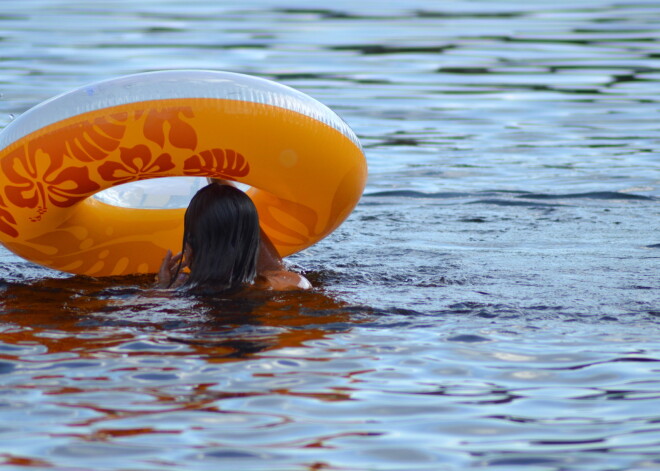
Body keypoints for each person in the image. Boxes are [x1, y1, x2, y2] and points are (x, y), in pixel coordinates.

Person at [155, 180, 312, 293]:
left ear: (189, 243)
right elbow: (271, 268)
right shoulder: (291, 284)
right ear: (253, 241)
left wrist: (162, 287)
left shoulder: (181, 289)